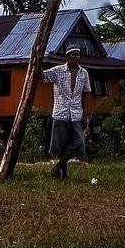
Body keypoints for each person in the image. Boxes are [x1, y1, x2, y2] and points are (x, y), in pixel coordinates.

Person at [41, 47, 91, 179]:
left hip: (76, 113)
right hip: (60, 112)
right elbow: (42, 75)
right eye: (74, 54)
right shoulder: (58, 71)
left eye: (78, 54)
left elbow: (85, 93)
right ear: (68, 56)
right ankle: (64, 174)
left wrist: (85, 114)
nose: (77, 57)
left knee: (79, 142)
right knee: (60, 145)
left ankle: (57, 166)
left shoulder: (83, 73)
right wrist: (38, 59)